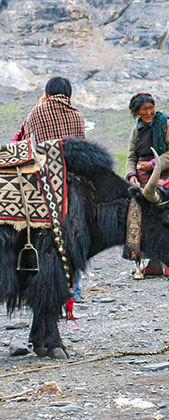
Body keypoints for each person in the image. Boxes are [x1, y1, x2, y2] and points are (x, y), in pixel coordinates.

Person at [21, 77, 86, 302]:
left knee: (40, 237)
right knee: (73, 236)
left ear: (47, 92)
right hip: (70, 186)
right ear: (68, 93)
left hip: (41, 185)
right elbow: (81, 148)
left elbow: (27, 143)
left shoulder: (36, 113)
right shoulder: (76, 115)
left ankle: (38, 286)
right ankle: (74, 289)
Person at [125, 92, 169, 279]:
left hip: (165, 177)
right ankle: (153, 263)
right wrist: (132, 174)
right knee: (145, 220)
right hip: (142, 179)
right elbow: (132, 156)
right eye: (144, 109)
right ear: (137, 113)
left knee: (166, 217)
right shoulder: (138, 129)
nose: (149, 112)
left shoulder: (165, 124)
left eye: (151, 107)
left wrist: (153, 165)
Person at [22, 76, 85, 142]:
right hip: (70, 152)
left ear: (48, 95)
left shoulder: (36, 113)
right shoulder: (77, 116)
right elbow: (82, 145)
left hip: (43, 152)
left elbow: (27, 139)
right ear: (69, 96)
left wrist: (41, 105)